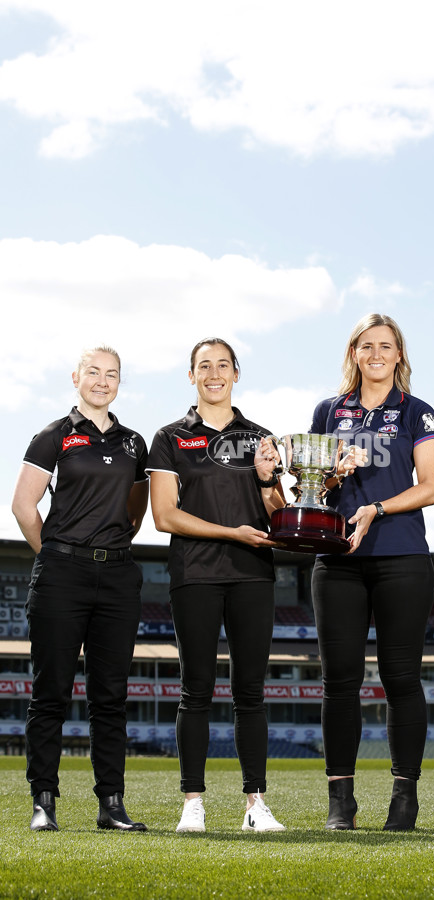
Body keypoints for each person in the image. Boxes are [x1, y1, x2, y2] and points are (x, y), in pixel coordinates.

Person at [309, 313, 434, 831]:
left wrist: (379, 508)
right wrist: (332, 473)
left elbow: (431, 485)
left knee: (401, 679)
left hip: (402, 558)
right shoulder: (329, 410)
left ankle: (404, 799)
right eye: (367, 346)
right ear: (354, 353)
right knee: (338, 682)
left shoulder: (417, 411)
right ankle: (340, 802)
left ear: (399, 355)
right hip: (338, 561)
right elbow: (313, 487)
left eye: (386, 346)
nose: (376, 354)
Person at [147, 337, 286, 834]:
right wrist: (231, 532)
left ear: (235, 373)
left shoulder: (262, 436)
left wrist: (269, 481)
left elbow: (277, 516)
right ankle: (193, 802)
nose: (213, 373)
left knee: (251, 692)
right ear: (191, 375)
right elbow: (164, 516)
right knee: (196, 691)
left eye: (222, 365)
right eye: (203, 366)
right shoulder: (169, 437)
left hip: (252, 575)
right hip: (196, 574)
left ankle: (256, 804)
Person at [11, 346, 149, 832]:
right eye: (94, 372)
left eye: (112, 375)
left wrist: (105, 548)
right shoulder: (53, 436)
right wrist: (54, 553)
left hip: (116, 576)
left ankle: (111, 805)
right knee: (50, 693)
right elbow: (24, 506)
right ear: (76, 377)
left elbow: (135, 514)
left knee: (109, 697)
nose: (102, 381)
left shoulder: (135, 443)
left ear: (119, 383)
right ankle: (43, 803)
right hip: (61, 575)